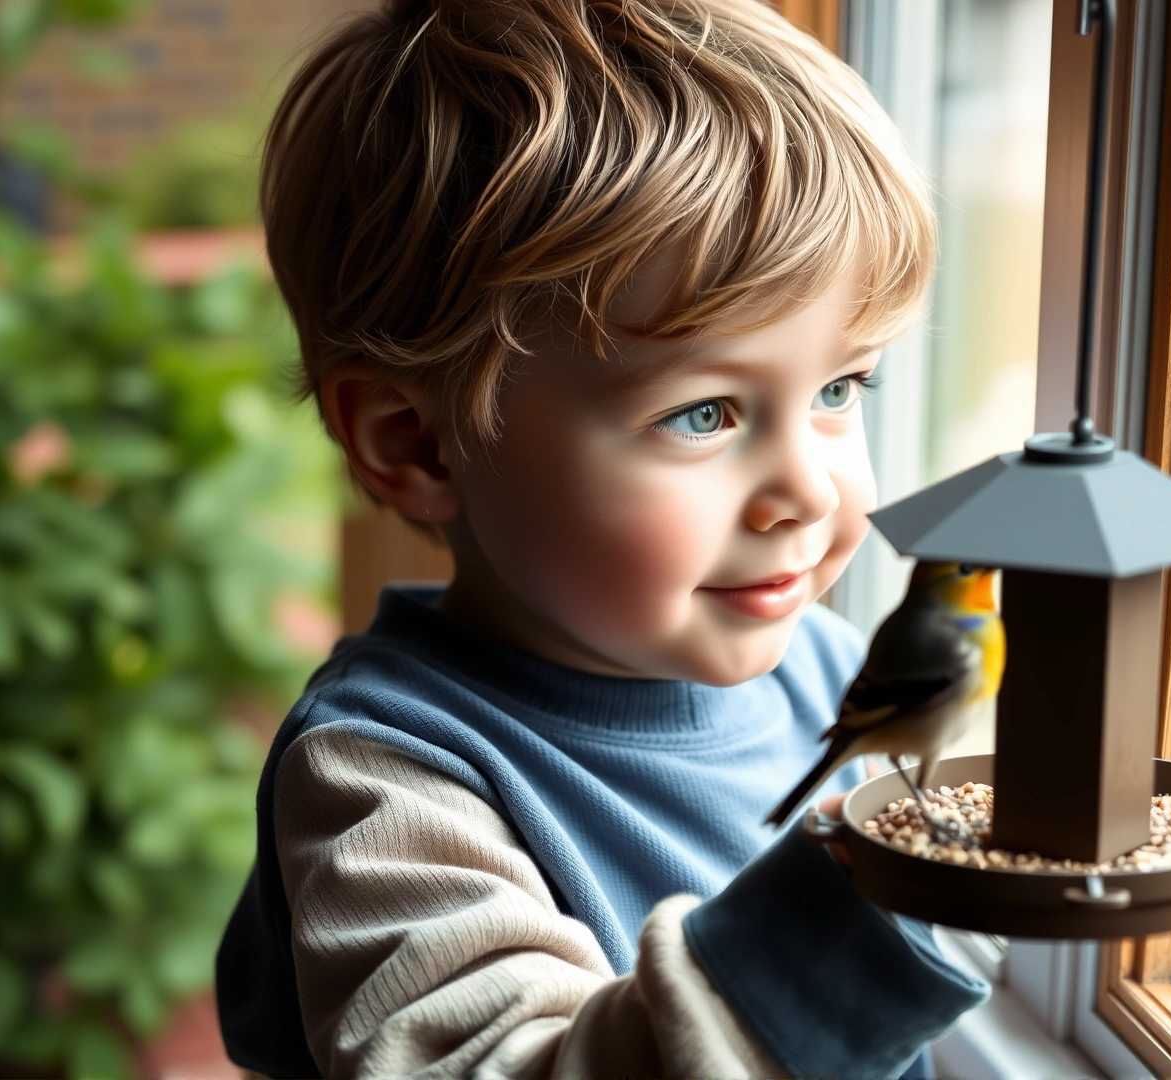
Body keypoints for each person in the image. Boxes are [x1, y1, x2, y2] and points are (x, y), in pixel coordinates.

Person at [213, 1, 989, 1076]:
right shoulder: (391, 782)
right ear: (420, 447)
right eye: (705, 414)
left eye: (839, 388)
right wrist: (839, 942)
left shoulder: (824, 672)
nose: (808, 492)